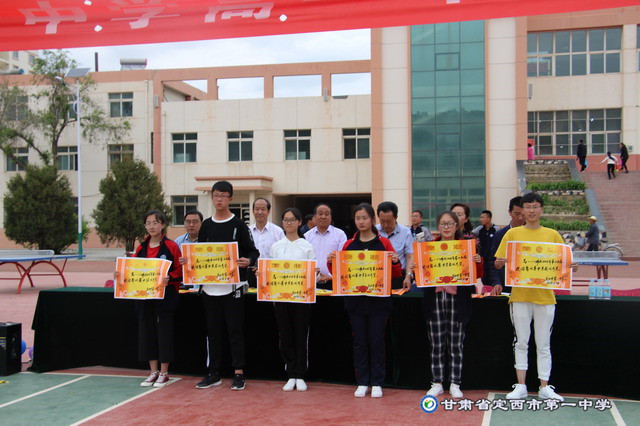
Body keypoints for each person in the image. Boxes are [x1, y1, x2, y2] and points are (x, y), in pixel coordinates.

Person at [494, 192, 565, 401]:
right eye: (528, 207)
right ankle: (521, 386)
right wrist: (501, 262)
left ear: (541, 209)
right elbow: (497, 262)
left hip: (545, 297)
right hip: (520, 296)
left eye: (535, 207)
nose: (531, 211)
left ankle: (544, 386)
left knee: (543, 344)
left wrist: (571, 267)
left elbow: (563, 264)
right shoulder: (512, 234)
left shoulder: (552, 235)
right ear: (522, 210)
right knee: (521, 342)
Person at [193, 181, 260, 391]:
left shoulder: (239, 225)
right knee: (213, 332)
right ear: (212, 197)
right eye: (216, 195)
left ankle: (238, 373)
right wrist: (189, 262)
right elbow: (199, 254)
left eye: (223, 195)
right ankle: (213, 373)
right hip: (210, 288)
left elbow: (253, 251)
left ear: (230, 198)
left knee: (235, 331)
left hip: (233, 288)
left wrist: (248, 261)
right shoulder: (206, 225)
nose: (219, 199)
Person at [330, 203, 401, 398]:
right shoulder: (348, 245)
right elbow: (338, 274)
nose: (361, 222)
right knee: (360, 342)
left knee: (376, 341)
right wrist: (331, 261)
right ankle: (362, 381)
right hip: (355, 302)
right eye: (358, 218)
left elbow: (396, 274)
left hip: (379, 303)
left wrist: (395, 262)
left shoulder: (384, 244)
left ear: (372, 220)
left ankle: (377, 382)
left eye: (365, 218)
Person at [122, 210, 183, 388]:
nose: (151, 226)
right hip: (144, 298)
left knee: (164, 333)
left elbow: (180, 270)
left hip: (165, 299)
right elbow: (132, 269)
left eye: (155, 223)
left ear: (163, 225)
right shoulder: (141, 248)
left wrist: (170, 277)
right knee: (147, 333)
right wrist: (120, 274)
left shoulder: (171, 246)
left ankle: (164, 372)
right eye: (148, 223)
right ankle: (153, 371)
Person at [424, 211, 480, 399]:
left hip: (458, 300)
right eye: (443, 223)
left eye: (450, 224)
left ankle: (455, 383)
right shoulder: (429, 248)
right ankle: (437, 383)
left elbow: (477, 274)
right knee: (437, 343)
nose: (446, 227)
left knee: (456, 344)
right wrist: (417, 268)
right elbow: (423, 275)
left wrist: (477, 262)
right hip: (435, 300)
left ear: (457, 226)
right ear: (438, 226)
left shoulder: (466, 248)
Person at [268, 208, 316, 392]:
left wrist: (314, 273)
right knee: (285, 335)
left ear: (299, 222)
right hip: (281, 298)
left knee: (301, 335)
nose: (289, 223)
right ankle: (290, 373)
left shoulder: (306, 246)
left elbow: (312, 272)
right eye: (285, 220)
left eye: (292, 220)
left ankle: (301, 374)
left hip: (302, 299)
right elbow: (270, 271)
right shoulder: (276, 246)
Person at [304, 203, 347, 290]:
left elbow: (343, 258)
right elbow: (304, 259)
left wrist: (331, 276)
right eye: (320, 214)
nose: (323, 216)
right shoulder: (306, 236)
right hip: (312, 282)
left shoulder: (340, 235)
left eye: (327, 214)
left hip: (334, 282)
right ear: (314, 217)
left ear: (331, 217)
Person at [489, 196, 524, 295]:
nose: (520, 218)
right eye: (517, 214)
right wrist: (496, 283)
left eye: (523, 214)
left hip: (528, 285)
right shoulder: (499, 235)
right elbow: (492, 261)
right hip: (506, 287)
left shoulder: (534, 234)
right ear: (510, 212)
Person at [375, 201, 414, 290]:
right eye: (382, 221)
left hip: (399, 276)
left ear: (396, 217)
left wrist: (408, 276)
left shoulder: (405, 232)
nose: (385, 225)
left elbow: (409, 256)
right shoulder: (374, 231)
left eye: (389, 221)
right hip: (378, 277)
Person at [248, 198, 284, 287]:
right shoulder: (247, 231)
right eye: (257, 209)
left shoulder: (278, 231)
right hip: (251, 274)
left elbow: (282, 255)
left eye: (263, 209)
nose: (259, 212)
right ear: (253, 211)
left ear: (268, 211)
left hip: (272, 275)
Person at [473, 210, 500, 288]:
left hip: (493, 258)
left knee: (493, 277)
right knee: (484, 278)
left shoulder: (496, 229)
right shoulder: (480, 229)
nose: (481, 219)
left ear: (489, 218)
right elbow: (471, 235)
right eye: (481, 217)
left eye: (483, 217)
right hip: (483, 258)